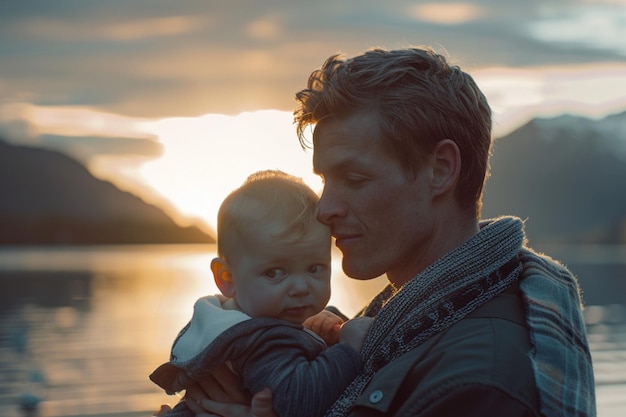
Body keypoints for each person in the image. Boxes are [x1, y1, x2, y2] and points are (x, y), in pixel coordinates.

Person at [169, 46, 597, 417]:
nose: (325, 210)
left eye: (354, 179)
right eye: (324, 182)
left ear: (440, 170)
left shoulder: (477, 385)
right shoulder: (396, 322)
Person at [150, 170, 372, 417]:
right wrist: (349, 348)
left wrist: (326, 321)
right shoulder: (262, 342)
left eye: (314, 268)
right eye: (275, 272)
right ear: (227, 278)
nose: (301, 287)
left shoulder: (230, 317)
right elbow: (298, 400)